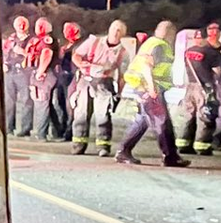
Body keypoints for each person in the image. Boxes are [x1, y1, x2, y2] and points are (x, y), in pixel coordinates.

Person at [117, 21, 187, 166]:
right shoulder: (160, 46)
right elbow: (146, 66)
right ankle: (170, 157)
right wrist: (151, 87)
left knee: (142, 121)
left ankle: (123, 151)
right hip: (149, 88)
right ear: (171, 33)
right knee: (162, 122)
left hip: (141, 86)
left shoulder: (151, 42)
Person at [70, 18, 130, 155]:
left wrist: (119, 93)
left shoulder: (123, 53)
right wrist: (80, 64)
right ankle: (78, 145)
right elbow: (77, 55)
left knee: (103, 116)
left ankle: (103, 146)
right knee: (81, 114)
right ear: (109, 30)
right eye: (114, 29)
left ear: (123, 34)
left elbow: (122, 76)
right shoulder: (94, 41)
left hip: (104, 83)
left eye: (119, 31)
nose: (116, 33)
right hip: (86, 80)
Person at [179, 21, 221, 157]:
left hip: (190, 87)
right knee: (207, 115)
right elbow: (217, 72)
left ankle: (184, 144)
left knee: (189, 116)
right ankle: (203, 145)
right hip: (205, 87)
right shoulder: (211, 52)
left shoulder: (188, 51)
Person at [38, 20, 81, 141]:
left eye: (67, 31)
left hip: (73, 78)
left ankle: (70, 132)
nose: (65, 33)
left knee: (70, 106)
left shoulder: (79, 44)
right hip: (62, 78)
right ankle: (61, 129)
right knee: (60, 103)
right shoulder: (66, 45)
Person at [26, 18, 57, 140]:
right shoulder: (37, 40)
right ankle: (47, 131)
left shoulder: (47, 40)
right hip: (37, 73)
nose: (37, 28)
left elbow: (46, 54)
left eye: (40, 26)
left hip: (44, 74)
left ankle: (40, 133)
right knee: (40, 102)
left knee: (41, 103)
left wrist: (40, 71)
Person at [2, 15, 33, 137]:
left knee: (26, 100)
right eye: (18, 24)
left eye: (23, 24)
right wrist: (4, 63)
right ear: (14, 26)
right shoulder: (10, 39)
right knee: (9, 101)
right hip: (10, 72)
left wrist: (23, 53)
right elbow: (3, 52)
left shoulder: (32, 40)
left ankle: (25, 129)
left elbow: (35, 55)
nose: (21, 26)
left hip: (24, 72)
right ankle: (8, 127)